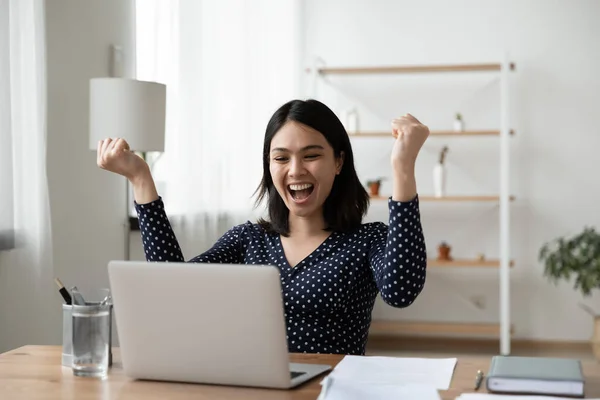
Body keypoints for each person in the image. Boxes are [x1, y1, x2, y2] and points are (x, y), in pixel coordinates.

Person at [97, 99, 429, 355]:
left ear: (338, 161)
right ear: (269, 166)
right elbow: (172, 286)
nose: (295, 170)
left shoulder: (368, 240)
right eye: (281, 158)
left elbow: (401, 292)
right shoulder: (249, 239)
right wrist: (141, 178)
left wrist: (403, 168)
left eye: (311, 155)